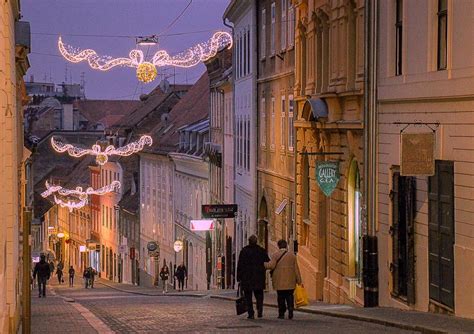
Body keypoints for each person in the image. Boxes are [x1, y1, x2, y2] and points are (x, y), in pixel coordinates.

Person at [265, 239, 302, 320]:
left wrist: (263, 264)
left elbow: (271, 266)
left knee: (281, 297)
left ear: (278, 246)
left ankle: (281, 313)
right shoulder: (292, 256)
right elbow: (296, 269)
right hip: (290, 281)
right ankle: (290, 309)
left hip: (279, 281)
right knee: (289, 296)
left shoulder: (275, 255)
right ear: (286, 246)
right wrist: (299, 280)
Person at [237, 235, 270, 319]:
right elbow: (267, 261)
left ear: (249, 241)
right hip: (258, 277)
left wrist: (239, 277)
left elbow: (240, 265)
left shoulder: (244, 251)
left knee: (248, 297)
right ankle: (259, 309)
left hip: (247, 278)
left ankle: (251, 313)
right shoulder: (261, 250)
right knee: (259, 295)